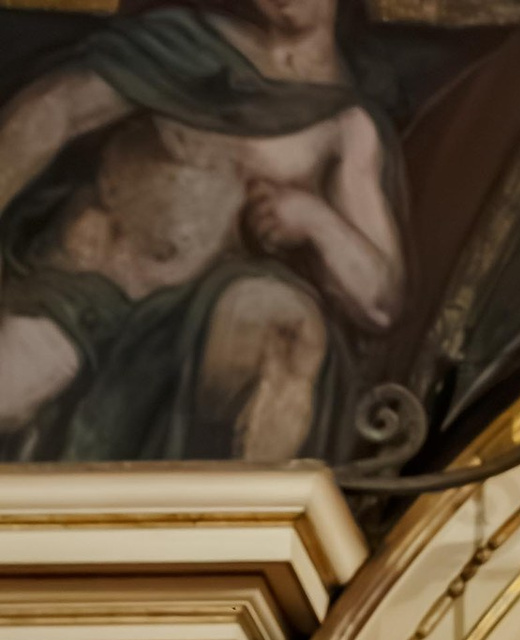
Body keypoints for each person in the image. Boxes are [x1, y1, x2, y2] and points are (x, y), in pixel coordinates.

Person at [0, 0, 402, 464]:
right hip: (85, 292)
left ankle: (249, 524)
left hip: (207, 314)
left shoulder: (347, 126)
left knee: (288, 326)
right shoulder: (185, 45)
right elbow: (51, 111)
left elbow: (380, 301)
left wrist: (316, 220)